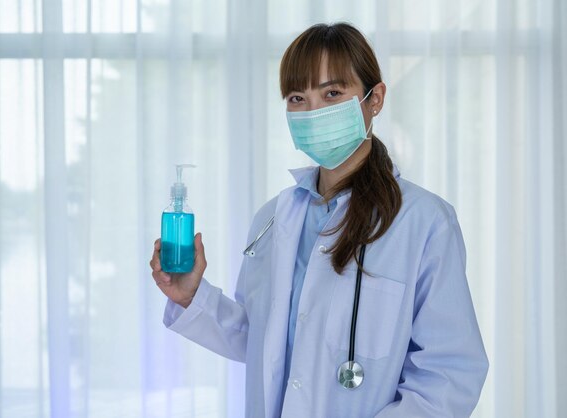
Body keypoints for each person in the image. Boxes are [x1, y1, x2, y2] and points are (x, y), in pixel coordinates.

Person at [150, 22, 488, 418]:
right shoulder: (274, 219)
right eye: (298, 98)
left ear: (374, 99)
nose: (314, 112)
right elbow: (262, 342)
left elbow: (449, 374)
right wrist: (192, 296)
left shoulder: (424, 221)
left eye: (332, 93)